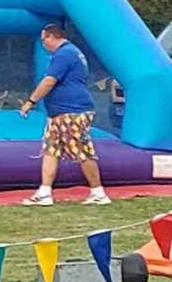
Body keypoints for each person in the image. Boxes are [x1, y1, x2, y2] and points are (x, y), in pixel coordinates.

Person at [18, 25, 110, 206]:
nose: (43, 44)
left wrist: (31, 101)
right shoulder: (73, 52)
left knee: (83, 151)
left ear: (51, 37)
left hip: (72, 111)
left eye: (43, 40)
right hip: (60, 113)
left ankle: (98, 192)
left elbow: (49, 81)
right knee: (51, 150)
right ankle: (45, 192)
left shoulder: (64, 54)